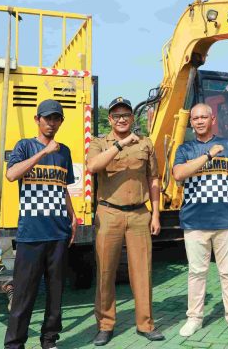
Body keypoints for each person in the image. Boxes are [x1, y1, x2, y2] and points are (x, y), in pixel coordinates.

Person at [86, 97, 165, 346]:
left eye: (126, 115)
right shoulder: (100, 143)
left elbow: (154, 178)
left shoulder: (145, 143)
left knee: (142, 271)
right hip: (108, 213)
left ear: (133, 118)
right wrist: (120, 145)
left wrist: (156, 213)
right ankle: (105, 325)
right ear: (109, 119)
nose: (121, 119)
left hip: (140, 213)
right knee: (106, 271)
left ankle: (146, 324)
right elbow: (92, 166)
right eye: (116, 115)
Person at [3, 99, 77, 349]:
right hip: (31, 234)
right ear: (37, 120)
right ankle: (14, 344)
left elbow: (63, 187)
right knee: (24, 294)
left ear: (61, 121)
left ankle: (49, 340)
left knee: (56, 294)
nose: (52, 123)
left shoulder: (64, 151)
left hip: (58, 232)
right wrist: (44, 152)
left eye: (56, 118)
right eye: (47, 118)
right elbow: (12, 175)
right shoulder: (25, 146)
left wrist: (73, 216)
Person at [172, 103, 228, 338]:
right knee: (196, 273)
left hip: (225, 220)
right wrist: (208, 155)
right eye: (195, 118)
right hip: (195, 221)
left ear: (212, 119)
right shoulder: (185, 149)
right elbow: (178, 174)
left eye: (203, 117)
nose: (199, 121)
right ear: (191, 122)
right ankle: (194, 318)